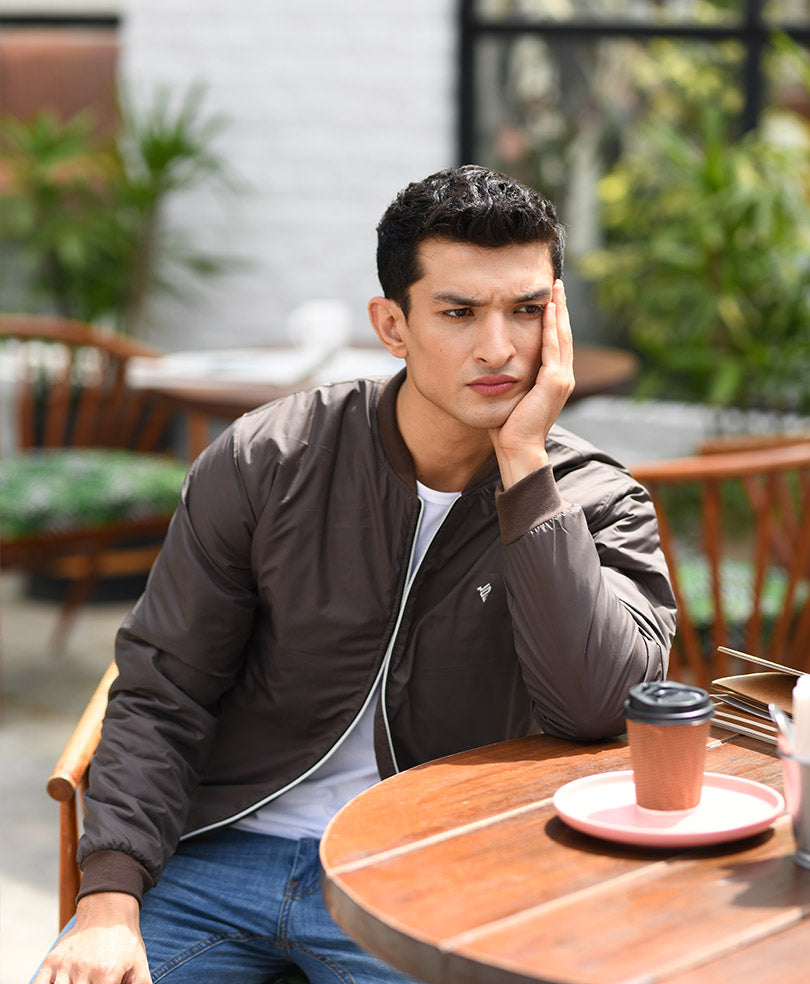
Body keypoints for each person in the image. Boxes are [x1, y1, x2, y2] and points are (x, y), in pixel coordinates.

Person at [34, 165, 676, 984]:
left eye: (526, 311)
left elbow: (597, 708)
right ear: (392, 325)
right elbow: (165, 688)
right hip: (218, 855)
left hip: (428, 875)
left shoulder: (598, 502)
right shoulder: (270, 459)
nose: (499, 348)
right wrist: (109, 900)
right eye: (459, 313)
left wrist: (523, 463)